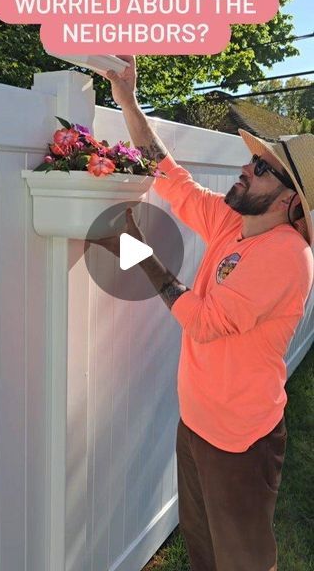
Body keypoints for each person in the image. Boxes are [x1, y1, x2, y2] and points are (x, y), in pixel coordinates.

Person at [91, 55, 314, 571]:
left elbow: (205, 322)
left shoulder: (286, 256)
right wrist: (126, 98)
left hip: (240, 439)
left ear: (289, 199)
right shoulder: (232, 224)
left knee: (242, 560)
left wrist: (140, 254)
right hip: (197, 421)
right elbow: (170, 176)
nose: (245, 167)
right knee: (204, 551)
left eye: (260, 168)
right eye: (251, 159)